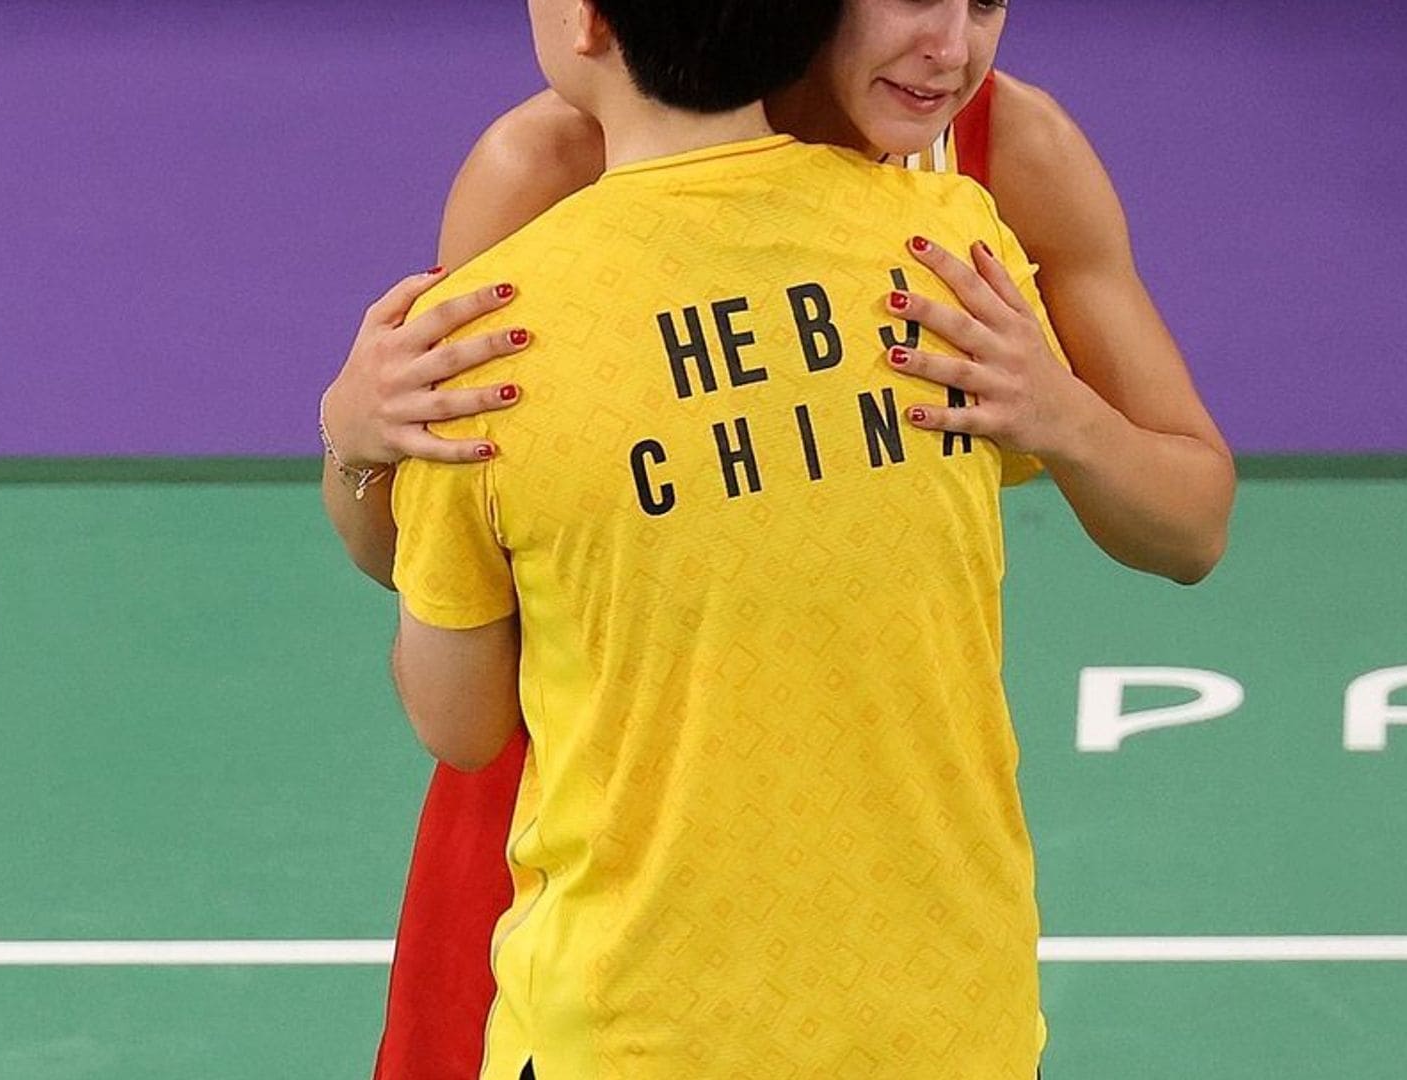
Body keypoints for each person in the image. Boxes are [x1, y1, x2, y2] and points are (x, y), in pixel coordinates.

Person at [323, 2, 1237, 1075]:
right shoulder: (546, 167)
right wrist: (353, 442)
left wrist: (1062, 414)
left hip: (875, 842)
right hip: (607, 814)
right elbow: (452, 548)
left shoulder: (1007, 158)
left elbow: (1192, 524)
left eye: (985, 0)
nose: (953, 47)